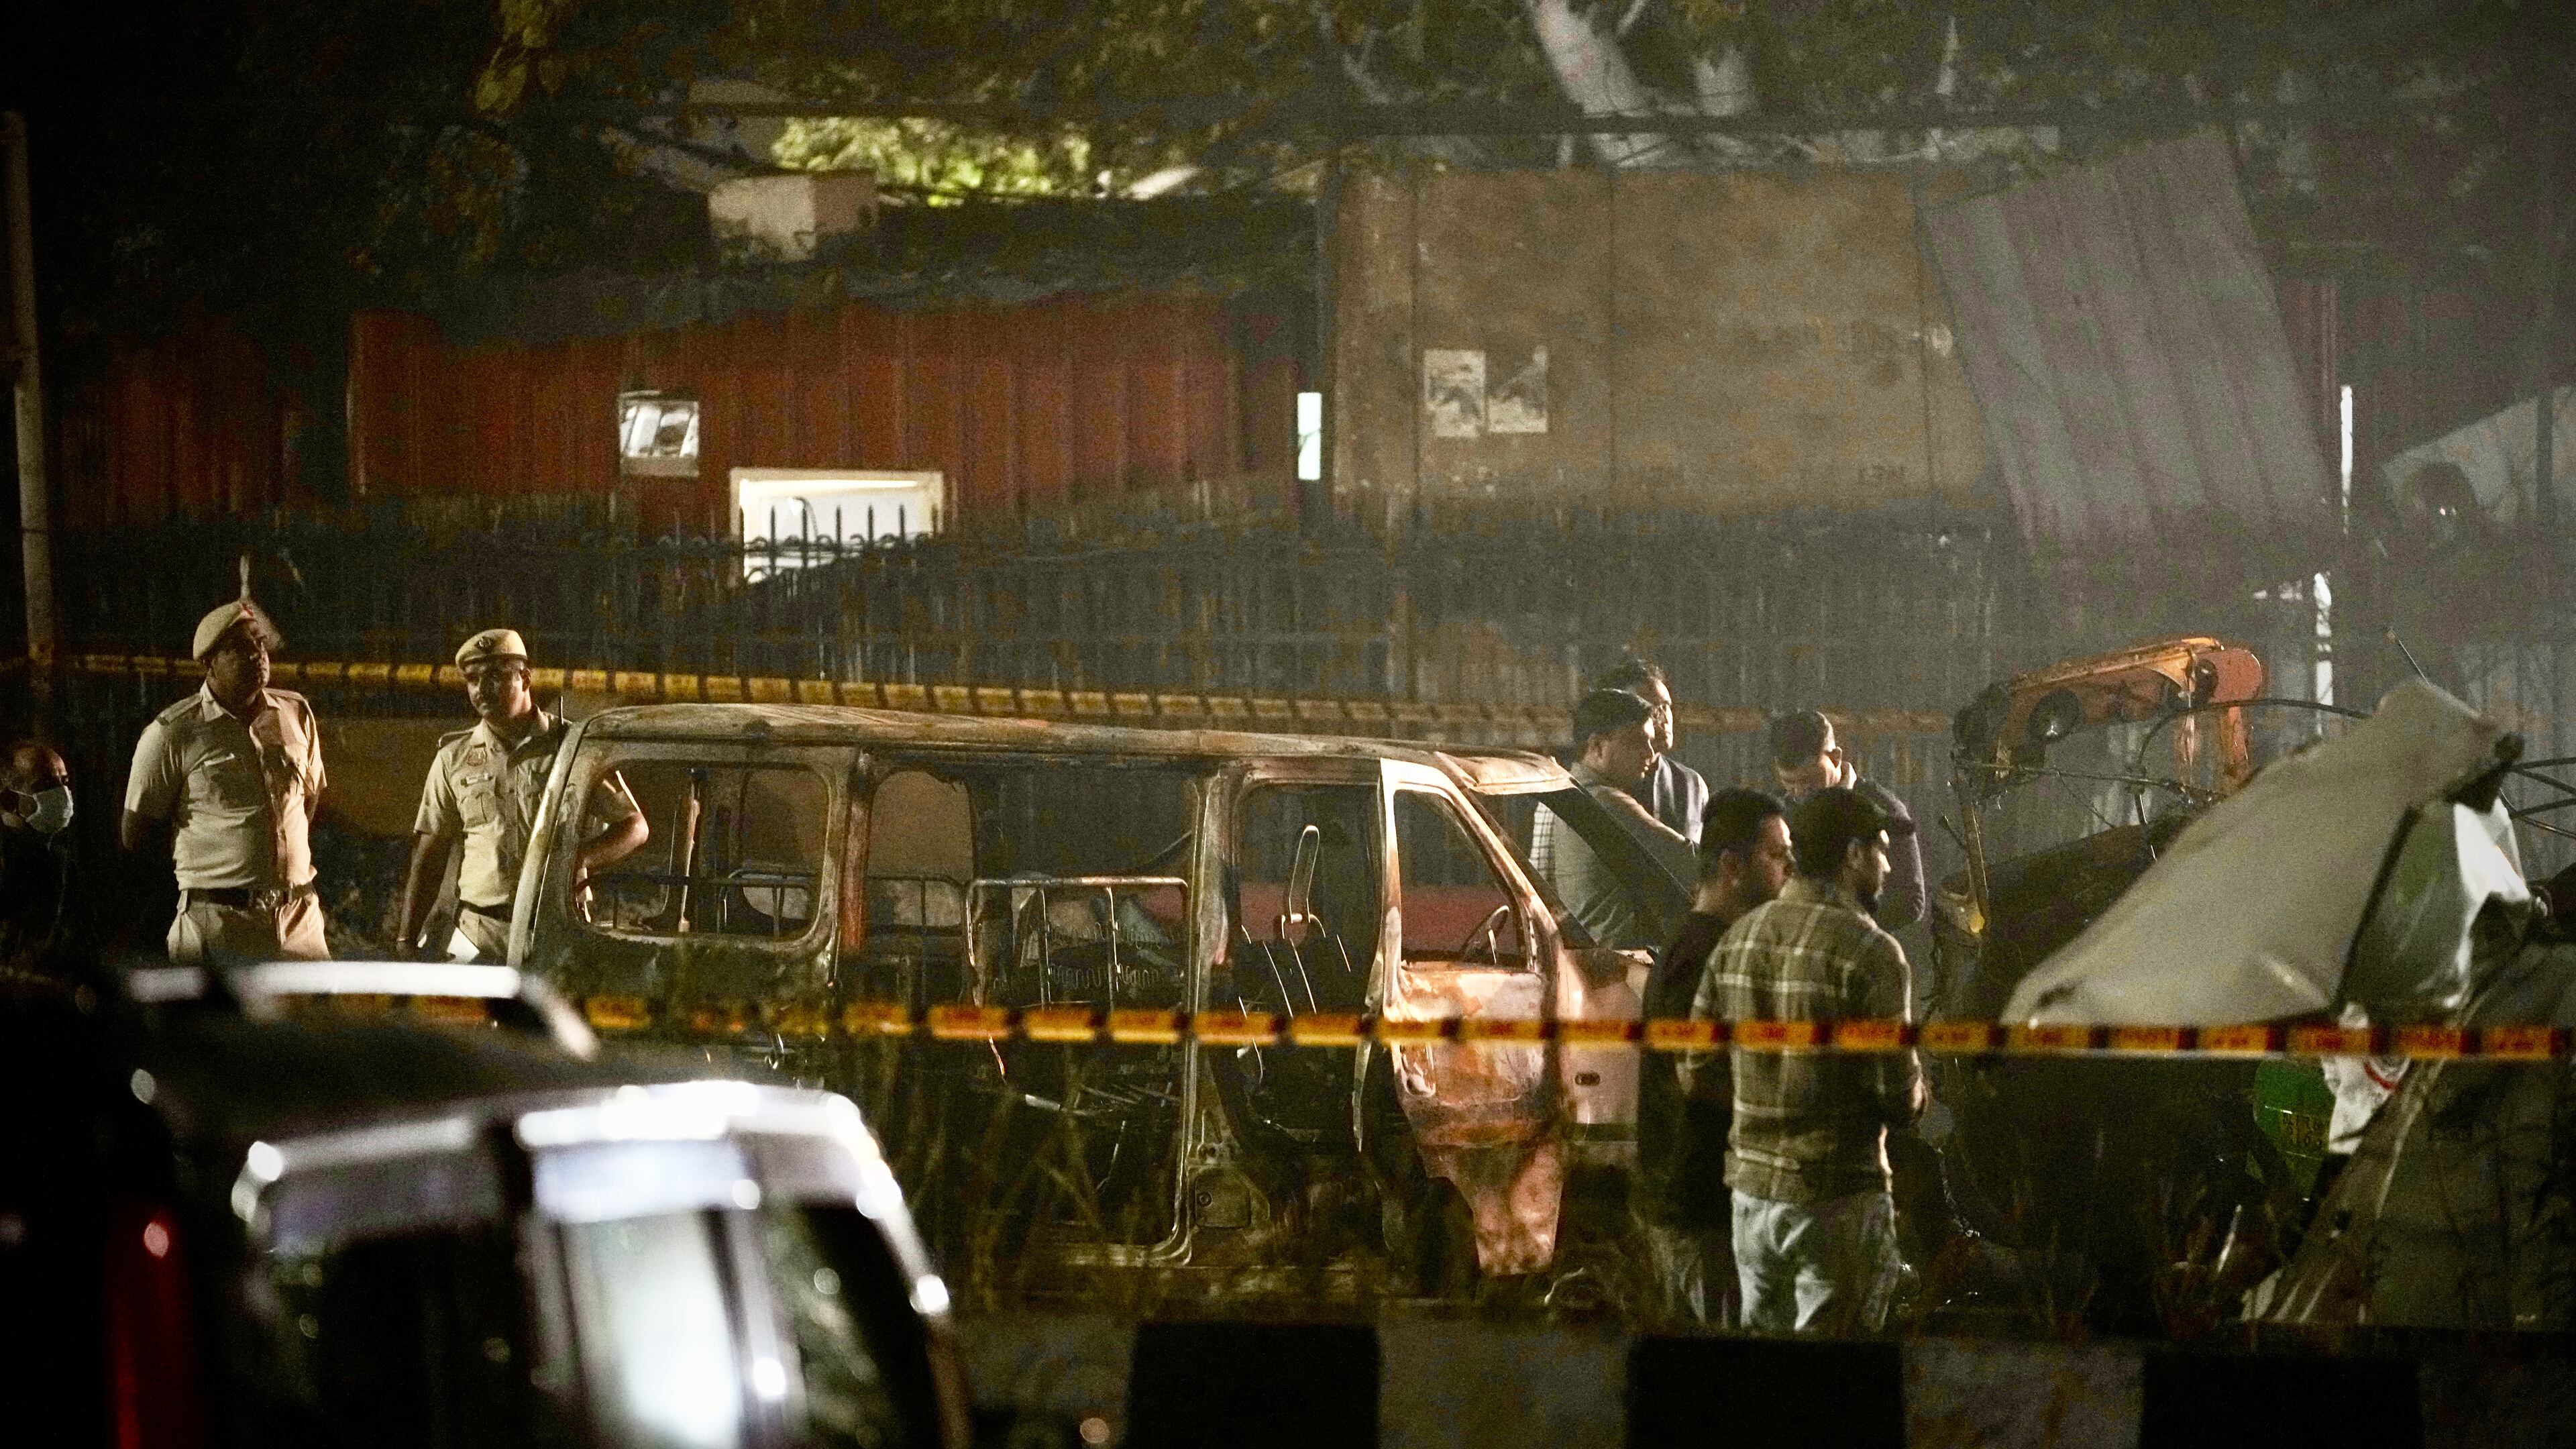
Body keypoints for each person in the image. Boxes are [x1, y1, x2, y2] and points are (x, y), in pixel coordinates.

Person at [1697, 786, 1925, 1334]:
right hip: (1837, 1200)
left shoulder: (1737, 940)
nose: (1890, 865)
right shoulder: (1872, 953)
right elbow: (1900, 1100)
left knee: (1764, 1378)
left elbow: (1696, 1071)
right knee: (1834, 1386)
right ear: (1852, 855)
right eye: (1882, 849)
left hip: (1751, 1203)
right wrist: (1920, 1091)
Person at [396, 629, 649, 961]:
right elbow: (431, 853)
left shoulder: (572, 747)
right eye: (472, 680)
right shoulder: (453, 758)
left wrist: (578, 859)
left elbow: (634, 826)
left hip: (557, 929)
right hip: (478, 935)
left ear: (526, 677)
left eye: (495, 677)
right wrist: (406, 937)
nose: (481, 690)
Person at [1637, 788, 1792, 1324]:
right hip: (1695, 1204)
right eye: (1775, 855)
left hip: (1707, 1202)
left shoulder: (1712, 942)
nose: (1789, 868)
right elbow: (1694, 1078)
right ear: (1732, 865)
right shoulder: (1700, 950)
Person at [123, 598, 330, 966]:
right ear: (208, 664)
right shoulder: (174, 733)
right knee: (218, 1024)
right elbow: (136, 832)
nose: (257, 654)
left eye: (260, 642)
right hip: (220, 923)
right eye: (239, 647)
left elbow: (308, 800)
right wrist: (212, 872)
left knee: (317, 1022)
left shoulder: (295, 712)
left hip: (299, 919)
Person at [1532, 688, 1697, 951]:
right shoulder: (1604, 801)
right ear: (1597, 746)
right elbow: (1687, 860)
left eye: (1651, 741)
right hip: (1620, 965)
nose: (1650, 752)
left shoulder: (1571, 792)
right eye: (1636, 741)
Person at [1767, 709, 1925, 932]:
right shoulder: (1778, 812)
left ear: (1835, 757)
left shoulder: (1884, 809)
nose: (1798, 792)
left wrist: (1836, 928)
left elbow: (1911, 903)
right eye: (1788, 782)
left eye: (1809, 780)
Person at [1592, 656, 1709, 847]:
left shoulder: (1692, 785)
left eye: (1665, 707)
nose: (1663, 719)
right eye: (1652, 709)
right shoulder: (1598, 782)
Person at [0, 741, 82, 977]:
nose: (62, 794)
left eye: (64, 782)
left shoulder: (59, 862)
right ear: (9, 800)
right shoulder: (10, 861)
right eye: (46, 785)